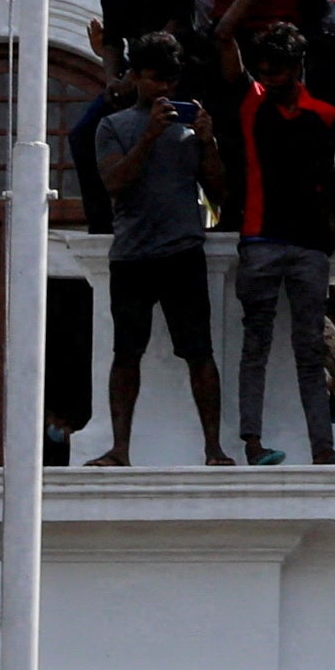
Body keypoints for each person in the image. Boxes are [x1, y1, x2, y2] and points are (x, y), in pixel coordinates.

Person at [86, 39, 230, 468]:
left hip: (182, 251)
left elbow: (219, 190)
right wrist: (149, 135)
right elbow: (114, 182)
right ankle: (119, 449)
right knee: (126, 353)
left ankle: (214, 449)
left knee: (200, 352)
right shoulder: (112, 126)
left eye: (169, 78)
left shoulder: (188, 130)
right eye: (153, 78)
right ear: (135, 78)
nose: (162, 86)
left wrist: (207, 142)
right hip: (132, 254)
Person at [231, 23, 335, 470]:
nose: (271, 78)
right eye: (264, 70)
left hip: (307, 245)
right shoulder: (252, 102)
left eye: (278, 70)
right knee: (256, 344)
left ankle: (322, 448)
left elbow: (331, 181)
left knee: (309, 349)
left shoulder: (325, 114)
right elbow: (225, 34)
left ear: (298, 68)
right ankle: (253, 443)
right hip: (260, 239)